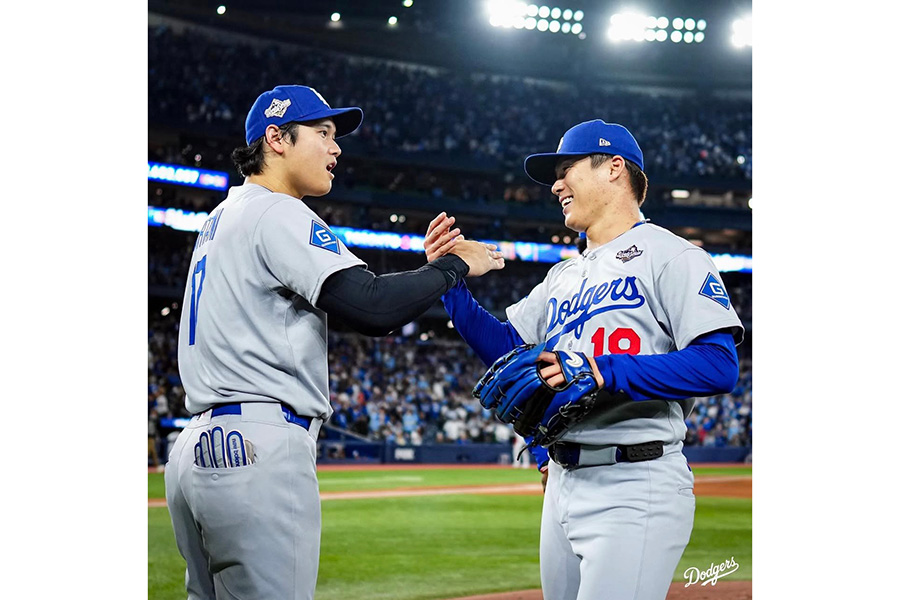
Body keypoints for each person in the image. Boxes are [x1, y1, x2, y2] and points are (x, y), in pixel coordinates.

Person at [164, 84, 504, 600]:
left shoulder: (220, 218)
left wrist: (428, 273)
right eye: (322, 133)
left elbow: (343, 307)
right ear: (276, 139)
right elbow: (372, 307)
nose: (336, 147)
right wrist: (456, 267)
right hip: (258, 445)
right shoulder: (277, 211)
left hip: (196, 449)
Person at [425, 118, 744, 600]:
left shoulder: (673, 256)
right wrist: (449, 280)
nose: (556, 183)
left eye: (567, 168)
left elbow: (719, 365)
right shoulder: (561, 276)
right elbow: (508, 348)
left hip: (635, 482)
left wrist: (603, 370)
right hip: (561, 480)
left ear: (614, 168)